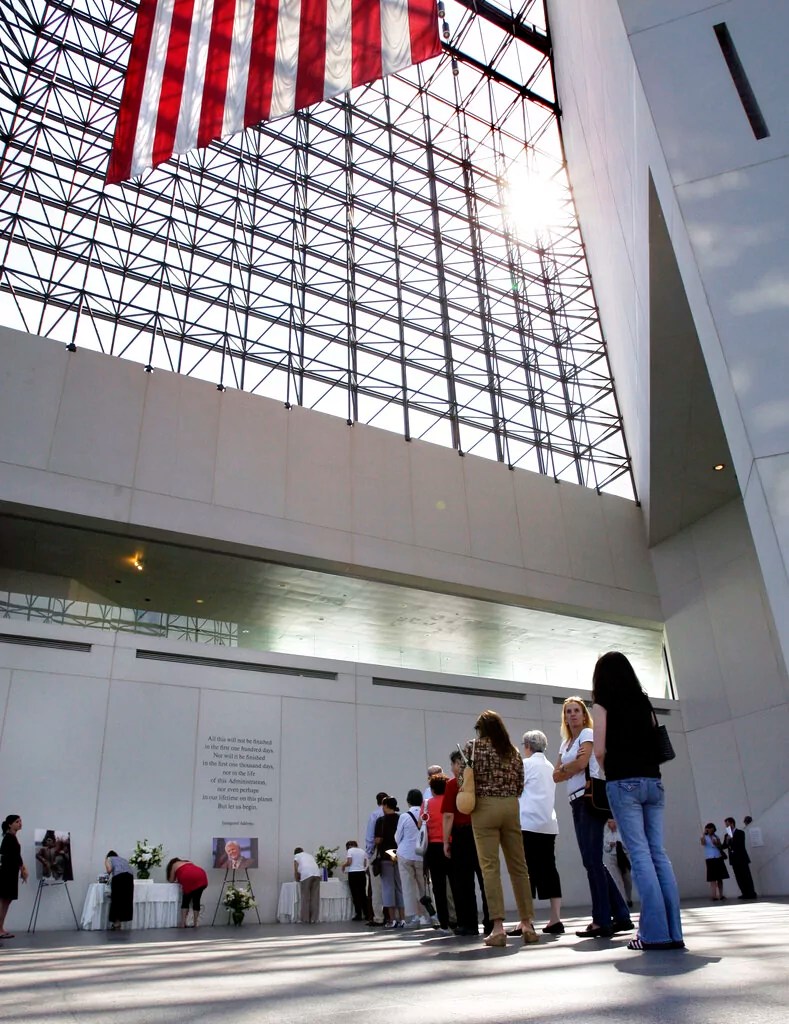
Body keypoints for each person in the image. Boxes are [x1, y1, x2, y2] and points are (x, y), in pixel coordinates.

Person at [592, 652, 684, 951]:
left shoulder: (603, 703)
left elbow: (599, 749)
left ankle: (654, 934)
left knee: (640, 855)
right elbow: (656, 740)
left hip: (624, 782)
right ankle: (674, 931)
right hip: (653, 782)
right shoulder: (643, 701)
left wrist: (611, 773)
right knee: (658, 853)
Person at [554, 695, 632, 940]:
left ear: (583, 713)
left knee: (592, 860)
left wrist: (568, 769)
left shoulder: (588, 734)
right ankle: (620, 914)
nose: (572, 715)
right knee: (591, 860)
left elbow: (582, 763)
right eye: (568, 712)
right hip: (575, 801)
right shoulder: (566, 743)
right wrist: (569, 769)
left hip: (589, 799)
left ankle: (601, 919)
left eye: (576, 710)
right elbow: (555, 775)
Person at [464, 710, 539, 947]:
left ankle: (497, 928)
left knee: (490, 868)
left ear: (480, 730)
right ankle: (527, 923)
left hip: (484, 808)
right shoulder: (513, 751)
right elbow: (520, 783)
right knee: (519, 866)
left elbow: (464, 782)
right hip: (510, 806)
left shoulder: (473, 748)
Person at [513, 729, 563, 935]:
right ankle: (555, 918)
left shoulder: (526, 764)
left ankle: (527, 920)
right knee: (549, 868)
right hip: (549, 824)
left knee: (526, 871)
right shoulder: (550, 766)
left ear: (527, 747)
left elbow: (515, 788)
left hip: (528, 823)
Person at [442, 749, 491, 936]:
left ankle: (469, 924)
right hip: (482, 833)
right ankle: (491, 922)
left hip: (462, 835)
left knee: (464, 882)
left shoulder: (453, 784)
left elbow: (448, 816)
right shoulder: (480, 783)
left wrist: (446, 841)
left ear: (457, 764)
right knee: (486, 879)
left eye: (453, 764)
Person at [394, 788, 431, 929]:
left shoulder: (404, 816)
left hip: (405, 854)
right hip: (421, 854)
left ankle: (413, 917)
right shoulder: (425, 814)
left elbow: (398, 837)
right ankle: (428, 915)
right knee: (424, 886)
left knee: (408, 887)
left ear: (408, 801)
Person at [424, 774, 452, 933]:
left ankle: (444, 923)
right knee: (456, 883)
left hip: (434, 848)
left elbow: (421, 823)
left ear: (432, 789)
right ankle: (460, 919)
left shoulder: (427, 804)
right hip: (451, 844)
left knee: (439, 886)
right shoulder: (451, 802)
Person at [375, 797, 405, 928]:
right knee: (400, 887)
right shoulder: (401, 819)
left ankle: (392, 919)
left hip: (386, 856)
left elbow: (377, 840)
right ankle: (402, 918)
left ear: (385, 805)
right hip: (399, 855)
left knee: (388, 887)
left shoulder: (381, 820)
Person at [0, 814, 28, 939]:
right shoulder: (9, 838)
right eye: (17, 821)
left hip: (10, 872)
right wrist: (22, 868)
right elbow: (13, 856)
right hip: (6, 873)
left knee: (7, 900)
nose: (20, 823)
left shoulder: (12, 838)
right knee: (4, 900)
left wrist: (21, 868)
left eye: (20, 821)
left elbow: (17, 855)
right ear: (10, 824)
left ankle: (1, 927)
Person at [364, 791, 388, 926]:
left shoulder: (375, 814)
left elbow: (370, 836)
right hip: (392, 853)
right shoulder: (395, 815)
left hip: (377, 853)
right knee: (391, 885)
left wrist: (370, 852)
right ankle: (393, 915)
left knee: (376, 887)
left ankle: (378, 916)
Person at [166, 857, 209, 928]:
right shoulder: (188, 862)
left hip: (188, 877)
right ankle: (196, 923)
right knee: (196, 901)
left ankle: (183, 923)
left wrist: (177, 879)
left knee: (185, 900)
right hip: (202, 875)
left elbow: (171, 880)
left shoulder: (174, 864)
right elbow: (192, 871)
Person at [722, 817, 757, 899]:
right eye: (726, 825)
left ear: (732, 824)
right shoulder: (726, 835)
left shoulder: (740, 832)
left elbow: (740, 845)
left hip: (742, 858)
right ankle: (744, 893)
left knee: (746, 876)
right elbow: (724, 846)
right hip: (734, 860)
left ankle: (751, 893)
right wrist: (726, 841)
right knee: (739, 877)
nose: (726, 827)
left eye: (727, 825)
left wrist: (732, 839)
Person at [602, 819, 633, 907]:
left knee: (627, 879)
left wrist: (620, 844)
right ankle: (623, 902)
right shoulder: (607, 835)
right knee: (618, 880)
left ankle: (628, 898)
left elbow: (628, 846)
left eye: (610, 822)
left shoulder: (622, 833)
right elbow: (606, 848)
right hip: (613, 857)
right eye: (608, 822)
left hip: (624, 857)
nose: (609, 824)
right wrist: (610, 845)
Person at [104, 850, 134, 930]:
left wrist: (107, 873)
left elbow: (109, 870)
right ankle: (119, 922)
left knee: (116, 900)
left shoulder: (108, 859)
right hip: (129, 878)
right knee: (125, 900)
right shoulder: (123, 859)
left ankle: (116, 923)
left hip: (119, 878)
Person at [341, 840, 370, 921]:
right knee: (363, 894)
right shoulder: (362, 851)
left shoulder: (350, 851)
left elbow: (350, 862)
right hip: (362, 873)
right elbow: (364, 864)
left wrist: (343, 865)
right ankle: (367, 914)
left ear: (349, 846)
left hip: (353, 874)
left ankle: (358, 914)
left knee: (355, 894)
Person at [293, 847, 321, 923]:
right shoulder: (309, 855)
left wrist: (297, 879)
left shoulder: (296, 856)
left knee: (305, 898)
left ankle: (305, 919)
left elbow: (296, 869)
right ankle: (314, 919)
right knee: (315, 898)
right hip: (317, 874)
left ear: (295, 853)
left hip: (306, 875)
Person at [700, 824, 729, 901]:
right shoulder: (704, 837)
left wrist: (716, 843)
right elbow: (703, 843)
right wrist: (704, 834)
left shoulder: (716, 837)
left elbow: (720, 846)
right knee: (712, 878)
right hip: (710, 859)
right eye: (708, 829)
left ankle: (721, 895)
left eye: (711, 829)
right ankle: (714, 895)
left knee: (720, 878)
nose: (710, 830)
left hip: (718, 857)